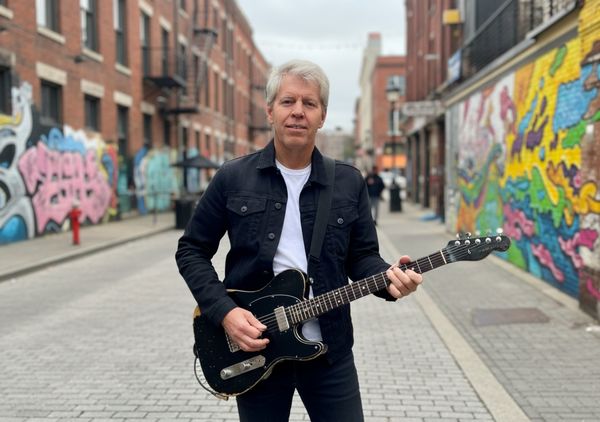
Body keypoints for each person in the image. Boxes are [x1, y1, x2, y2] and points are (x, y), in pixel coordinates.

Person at [176, 59, 423, 422]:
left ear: (322, 116)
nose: (298, 111)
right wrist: (225, 312)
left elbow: (362, 257)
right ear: (270, 111)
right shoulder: (233, 177)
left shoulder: (348, 182)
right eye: (287, 101)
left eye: (309, 103)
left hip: (330, 351)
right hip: (255, 348)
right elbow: (191, 250)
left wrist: (389, 279)